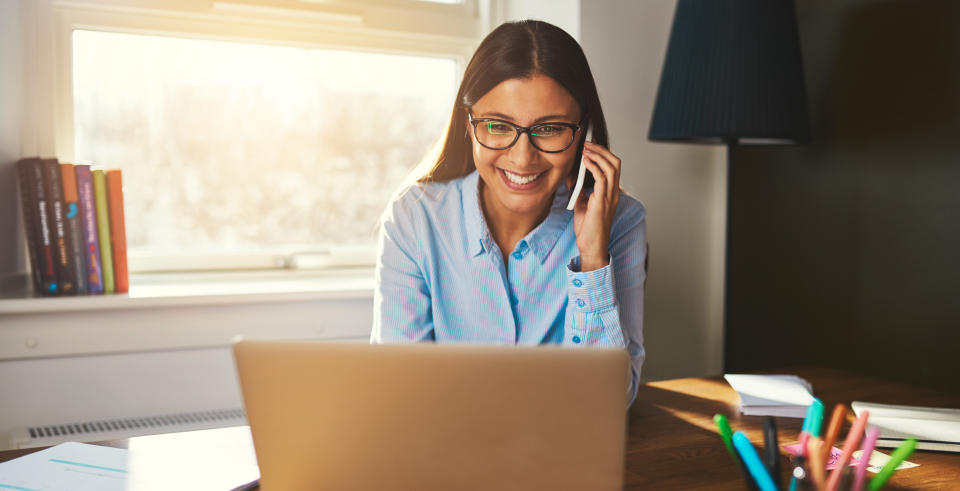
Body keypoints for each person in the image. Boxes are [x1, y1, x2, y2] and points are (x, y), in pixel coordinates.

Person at [370, 20, 647, 404]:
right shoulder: (414, 218)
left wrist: (594, 261)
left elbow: (608, 404)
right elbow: (399, 391)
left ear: (583, 133)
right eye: (498, 125)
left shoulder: (622, 220)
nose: (522, 157)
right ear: (469, 125)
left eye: (549, 129)